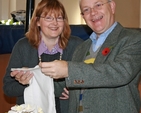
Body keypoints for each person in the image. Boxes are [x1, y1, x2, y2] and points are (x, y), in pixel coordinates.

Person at [39, 0, 141, 113]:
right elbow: (64, 85)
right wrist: (33, 76)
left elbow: (120, 72)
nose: (93, 13)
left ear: (112, 6)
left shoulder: (133, 38)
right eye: (86, 10)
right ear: (83, 17)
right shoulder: (81, 48)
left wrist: (69, 70)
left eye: (98, 5)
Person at [3, 0, 83, 113]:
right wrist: (24, 84)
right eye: (49, 18)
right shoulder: (23, 46)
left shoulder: (77, 46)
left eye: (59, 18)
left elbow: (89, 80)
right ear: (37, 21)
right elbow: (8, 89)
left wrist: (77, 93)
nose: (55, 23)